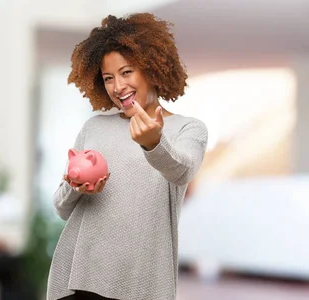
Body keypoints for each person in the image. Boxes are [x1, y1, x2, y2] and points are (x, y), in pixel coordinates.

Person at [47, 13, 208, 300]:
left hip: (141, 282)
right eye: (108, 78)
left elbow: (182, 170)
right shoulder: (94, 127)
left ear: (152, 69)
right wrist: (75, 187)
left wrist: (153, 144)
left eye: (126, 72)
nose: (117, 87)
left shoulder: (188, 128)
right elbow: (61, 208)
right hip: (81, 278)